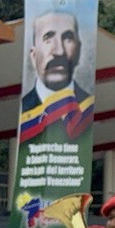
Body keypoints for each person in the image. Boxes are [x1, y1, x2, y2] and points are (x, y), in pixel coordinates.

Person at [21, 10, 94, 143]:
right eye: (48, 38)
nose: (59, 51)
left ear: (78, 51)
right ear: (33, 55)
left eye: (68, 38)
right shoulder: (23, 112)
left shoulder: (88, 110)